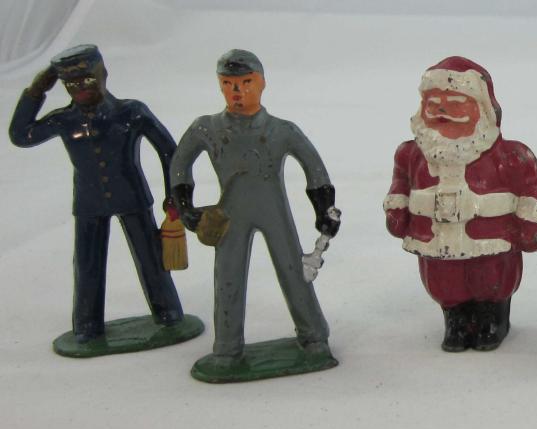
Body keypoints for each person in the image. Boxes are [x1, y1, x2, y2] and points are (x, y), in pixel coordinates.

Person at [171, 49, 340, 372]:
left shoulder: (282, 130)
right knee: (228, 276)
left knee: (293, 269)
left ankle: (314, 336)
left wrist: (324, 209)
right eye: (228, 83)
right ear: (220, 85)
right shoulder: (207, 128)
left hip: (273, 212)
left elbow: (314, 168)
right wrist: (185, 206)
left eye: (246, 82)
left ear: (262, 83)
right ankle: (227, 347)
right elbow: (180, 163)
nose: (237, 91)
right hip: (230, 215)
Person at [8, 44, 186, 346]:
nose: (80, 88)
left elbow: (170, 152)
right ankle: (87, 324)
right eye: (71, 83)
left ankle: (167, 311)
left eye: (88, 79)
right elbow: (21, 135)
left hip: (132, 198)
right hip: (89, 203)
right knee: (87, 264)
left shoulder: (131, 112)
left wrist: (174, 195)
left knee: (150, 258)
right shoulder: (64, 120)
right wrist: (37, 90)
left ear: (103, 74)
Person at [384, 56, 537, 352]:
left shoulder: (511, 156)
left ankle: (493, 321)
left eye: (456, 103)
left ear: (483, 109)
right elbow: (400, 185)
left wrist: (533, 226)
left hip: (491, 243)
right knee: (445, 284)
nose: (441, 110)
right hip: (435, 242)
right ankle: (456, 323)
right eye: (433, 103)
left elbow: (531, 192)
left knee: (490, 281)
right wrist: (397, 210)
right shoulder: (409, 155)